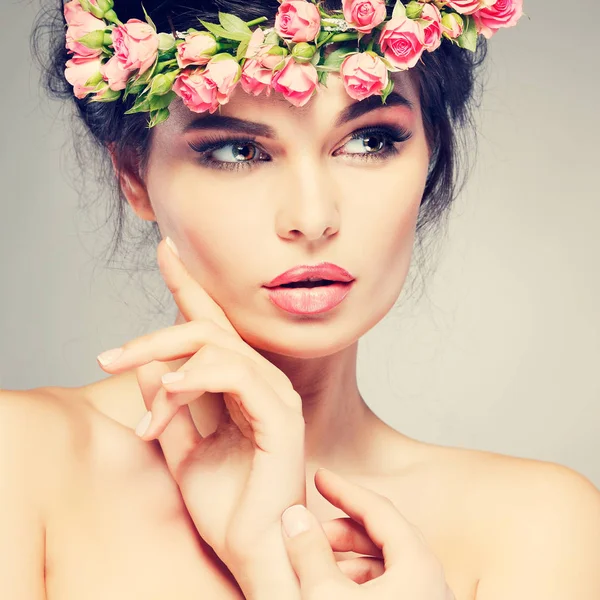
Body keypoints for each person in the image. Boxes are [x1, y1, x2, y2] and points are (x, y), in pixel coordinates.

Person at [2, 0, 599, 598]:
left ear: (430, 153)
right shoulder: (22, 462)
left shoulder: (538, 527)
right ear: (134, 175)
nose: (312, 219)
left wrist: (272, 563)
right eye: (236, 151)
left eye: (369, 140)